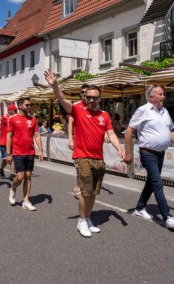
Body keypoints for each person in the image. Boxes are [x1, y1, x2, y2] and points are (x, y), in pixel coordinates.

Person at [45, 69, 124, 238]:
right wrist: (55, 85)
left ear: (99, 99)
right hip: (83, 156)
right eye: (88, 97)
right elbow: (62, 99)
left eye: (95, 97)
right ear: (85, 98)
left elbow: (110, 134)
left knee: (94, 192)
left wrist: (119, 148)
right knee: (84, 191)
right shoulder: (78, 110)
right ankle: (81, 221)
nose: (91, 100)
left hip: (98, 158)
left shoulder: (104, 115)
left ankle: (87, 218)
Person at [123, 85, 174, 229]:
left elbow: (170, 131)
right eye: (160, 94)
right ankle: (167, 216)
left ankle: (140, 208)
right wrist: (128, 153)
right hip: (148, 153)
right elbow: (128, 132)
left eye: (163, 94)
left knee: (151, 182)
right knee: (158, 183)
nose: (163, 97)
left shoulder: (165, 111)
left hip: (161, 153)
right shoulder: (143, 110)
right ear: (151, 97)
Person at [6, 97, 43, 211]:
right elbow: (9, 136)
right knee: (20, 176)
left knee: (28, 176)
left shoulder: (32, 119)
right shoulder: (12, 119)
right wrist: (8, 153)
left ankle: (25, 200)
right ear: (20, 106)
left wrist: (40, 151)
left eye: (29, 105)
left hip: (30, 152)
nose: (29, 107)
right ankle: (13, 188)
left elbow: (37, 135)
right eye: (27, 105)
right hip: (18, 152)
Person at [0, 105, 17, 180]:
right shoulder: (5, 117)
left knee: (12, 157)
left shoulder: (13, 117)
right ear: (10, 111)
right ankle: (1, 169)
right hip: (4, 141)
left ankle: (12, 174)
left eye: (16, 111)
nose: (16, 112)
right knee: (5, 159)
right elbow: (11, 120)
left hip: (12, 141)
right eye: (14, 111)